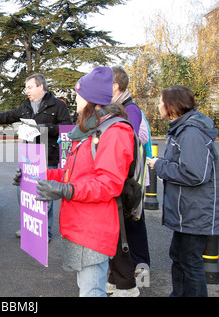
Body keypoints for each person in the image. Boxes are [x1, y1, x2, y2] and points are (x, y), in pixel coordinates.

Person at [33, 66, 135, 296]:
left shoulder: (114, 132)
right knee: (87, 289)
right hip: (80, 226)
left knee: (91, 291)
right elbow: (70, 174)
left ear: (91, 99)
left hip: (93, 229)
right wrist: (38, 176)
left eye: (78, 94)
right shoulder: (89, 130)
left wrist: (66, 190)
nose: (75, 98)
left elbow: (109, 184)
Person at [0, 74, 73, 241]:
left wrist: (45, 127)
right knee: (23, 193)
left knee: (44, 196)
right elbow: (6, 116)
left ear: (41, 87)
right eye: (26, 88)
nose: (27, 91)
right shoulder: (26, 106)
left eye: (30, 87)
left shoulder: (58, 106)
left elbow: (67, 127)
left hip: (48, 157)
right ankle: (30, 227)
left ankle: (45, 232)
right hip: (29, 157)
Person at [148, 85, 219, 297]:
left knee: (190, 262)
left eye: (161, 101)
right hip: (188, 211)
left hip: (195, 212)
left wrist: (160, 165)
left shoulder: (191, 133)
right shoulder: (183, 129)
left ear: (172, 105)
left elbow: (195, 174)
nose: (158, 105)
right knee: (179, 257)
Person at [106, 66, 151, 297]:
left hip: (132, 182)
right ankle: (135, 274)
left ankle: (141, 276)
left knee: (134, 229)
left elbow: (127, 144)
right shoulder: (122, 107)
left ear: (115, 87)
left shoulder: (129, 109)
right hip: (130, 180)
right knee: (131, 228)